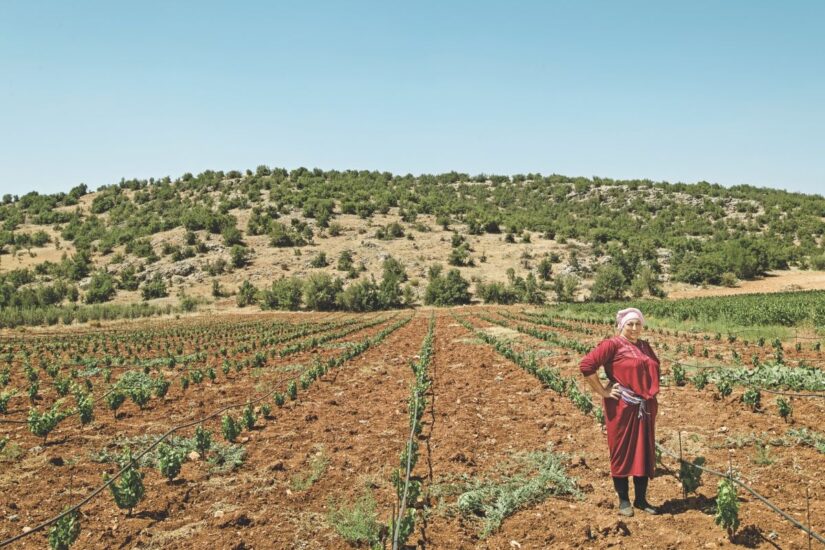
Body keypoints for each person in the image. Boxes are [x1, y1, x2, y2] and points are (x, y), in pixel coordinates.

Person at [579, 307, 660, 517]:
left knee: (644, 451)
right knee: (621, 451)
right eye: (629, 324)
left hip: (645, 407)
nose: (634, 328)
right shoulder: (612, 345)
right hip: (622, 406)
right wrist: (604, 391)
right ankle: (624, 500)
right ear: (621, 326)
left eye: (638, 324)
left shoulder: (645, 346)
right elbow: (587, 365)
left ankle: (641, 500)